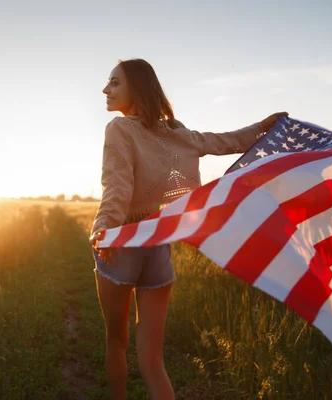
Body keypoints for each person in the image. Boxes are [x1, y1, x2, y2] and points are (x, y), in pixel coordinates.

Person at [89, 58, 288, 400]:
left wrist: (104, 228)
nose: (105, 90)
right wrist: (263, 128)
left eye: (114, 83)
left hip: (122, 241)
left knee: (116, 341)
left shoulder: (119, 129)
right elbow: (223, 141)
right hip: (158, 244)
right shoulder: (176, 132)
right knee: (153, 361)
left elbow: (117, 187)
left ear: (136, 88)